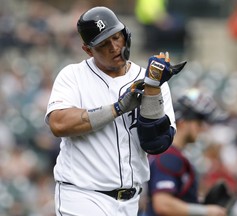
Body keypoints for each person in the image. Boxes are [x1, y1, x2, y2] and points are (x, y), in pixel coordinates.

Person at [44, 6, 186, 216]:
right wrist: (117, 109)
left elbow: (157, 144)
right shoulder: (73, 76)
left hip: (131, 201)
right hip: (82, 196)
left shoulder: (152, 80)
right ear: (88, 49)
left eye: (116, 37)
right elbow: (58, 124)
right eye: (103, 44)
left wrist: (153, 90)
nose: (114, 47)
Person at [145, 88, 229, 216]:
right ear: (183, 122)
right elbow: (162, 204)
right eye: (199, 122)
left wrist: (197, 204)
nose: (202, 128)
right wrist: (205, 211)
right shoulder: (169, 156)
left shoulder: (172, 154)